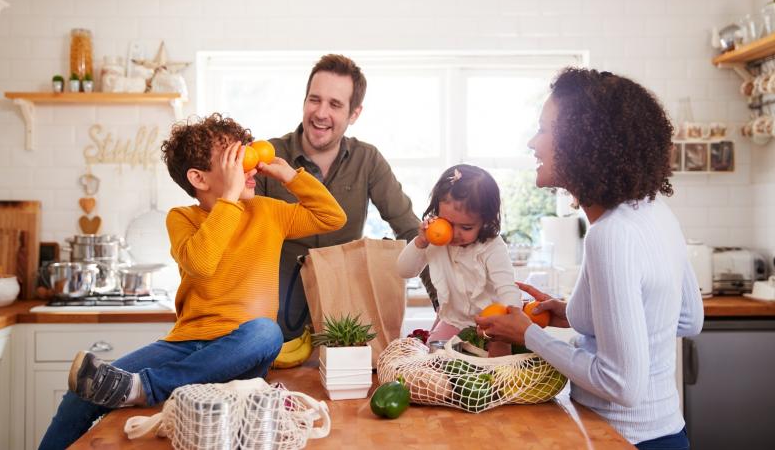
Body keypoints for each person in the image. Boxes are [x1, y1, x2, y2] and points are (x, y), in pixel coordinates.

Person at [38, 113, 347, 449]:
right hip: (186, 344)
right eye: (234, 160)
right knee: (80, 394)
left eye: (246, 153)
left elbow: (332, 216)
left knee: (266, 331)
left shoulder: (269, 212)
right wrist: (228, 200)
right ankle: (137, 389)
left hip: (242, 351)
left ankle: (146, 387)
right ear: (199, 178)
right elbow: (201, 263)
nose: (250, 165)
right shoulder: (183, 218)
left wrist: (289, 174)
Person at [475, 68, 703, 450]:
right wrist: (582, 313)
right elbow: (686, 318)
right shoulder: (655, 211)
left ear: (583, 142)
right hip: (668, 436)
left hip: (623, 439)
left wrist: (528, 335)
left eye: (544, 129)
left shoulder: (609, 235)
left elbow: (621, 385)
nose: (533, 143)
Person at [257, 53, 433, 340]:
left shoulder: (368, 160)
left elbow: (413, 231)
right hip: (274, 319)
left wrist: (444, 309)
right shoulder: (269, 157)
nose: (321, 113)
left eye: (335, 104)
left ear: (354, 114)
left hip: (344, 322)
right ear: (304, 101)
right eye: (315, 99)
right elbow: (241, 237)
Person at [397, 164, 521, 356]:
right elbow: (404, 271)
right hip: (453, 321)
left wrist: (507, 329)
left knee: (498, 367)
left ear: (485, 221)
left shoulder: (492, 246)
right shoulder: (434, 239)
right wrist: (421, 241)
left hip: (493, 325)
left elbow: (507, 290)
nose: (454, 234)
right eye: (448, 223)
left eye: (466, 227)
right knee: (435, 359)